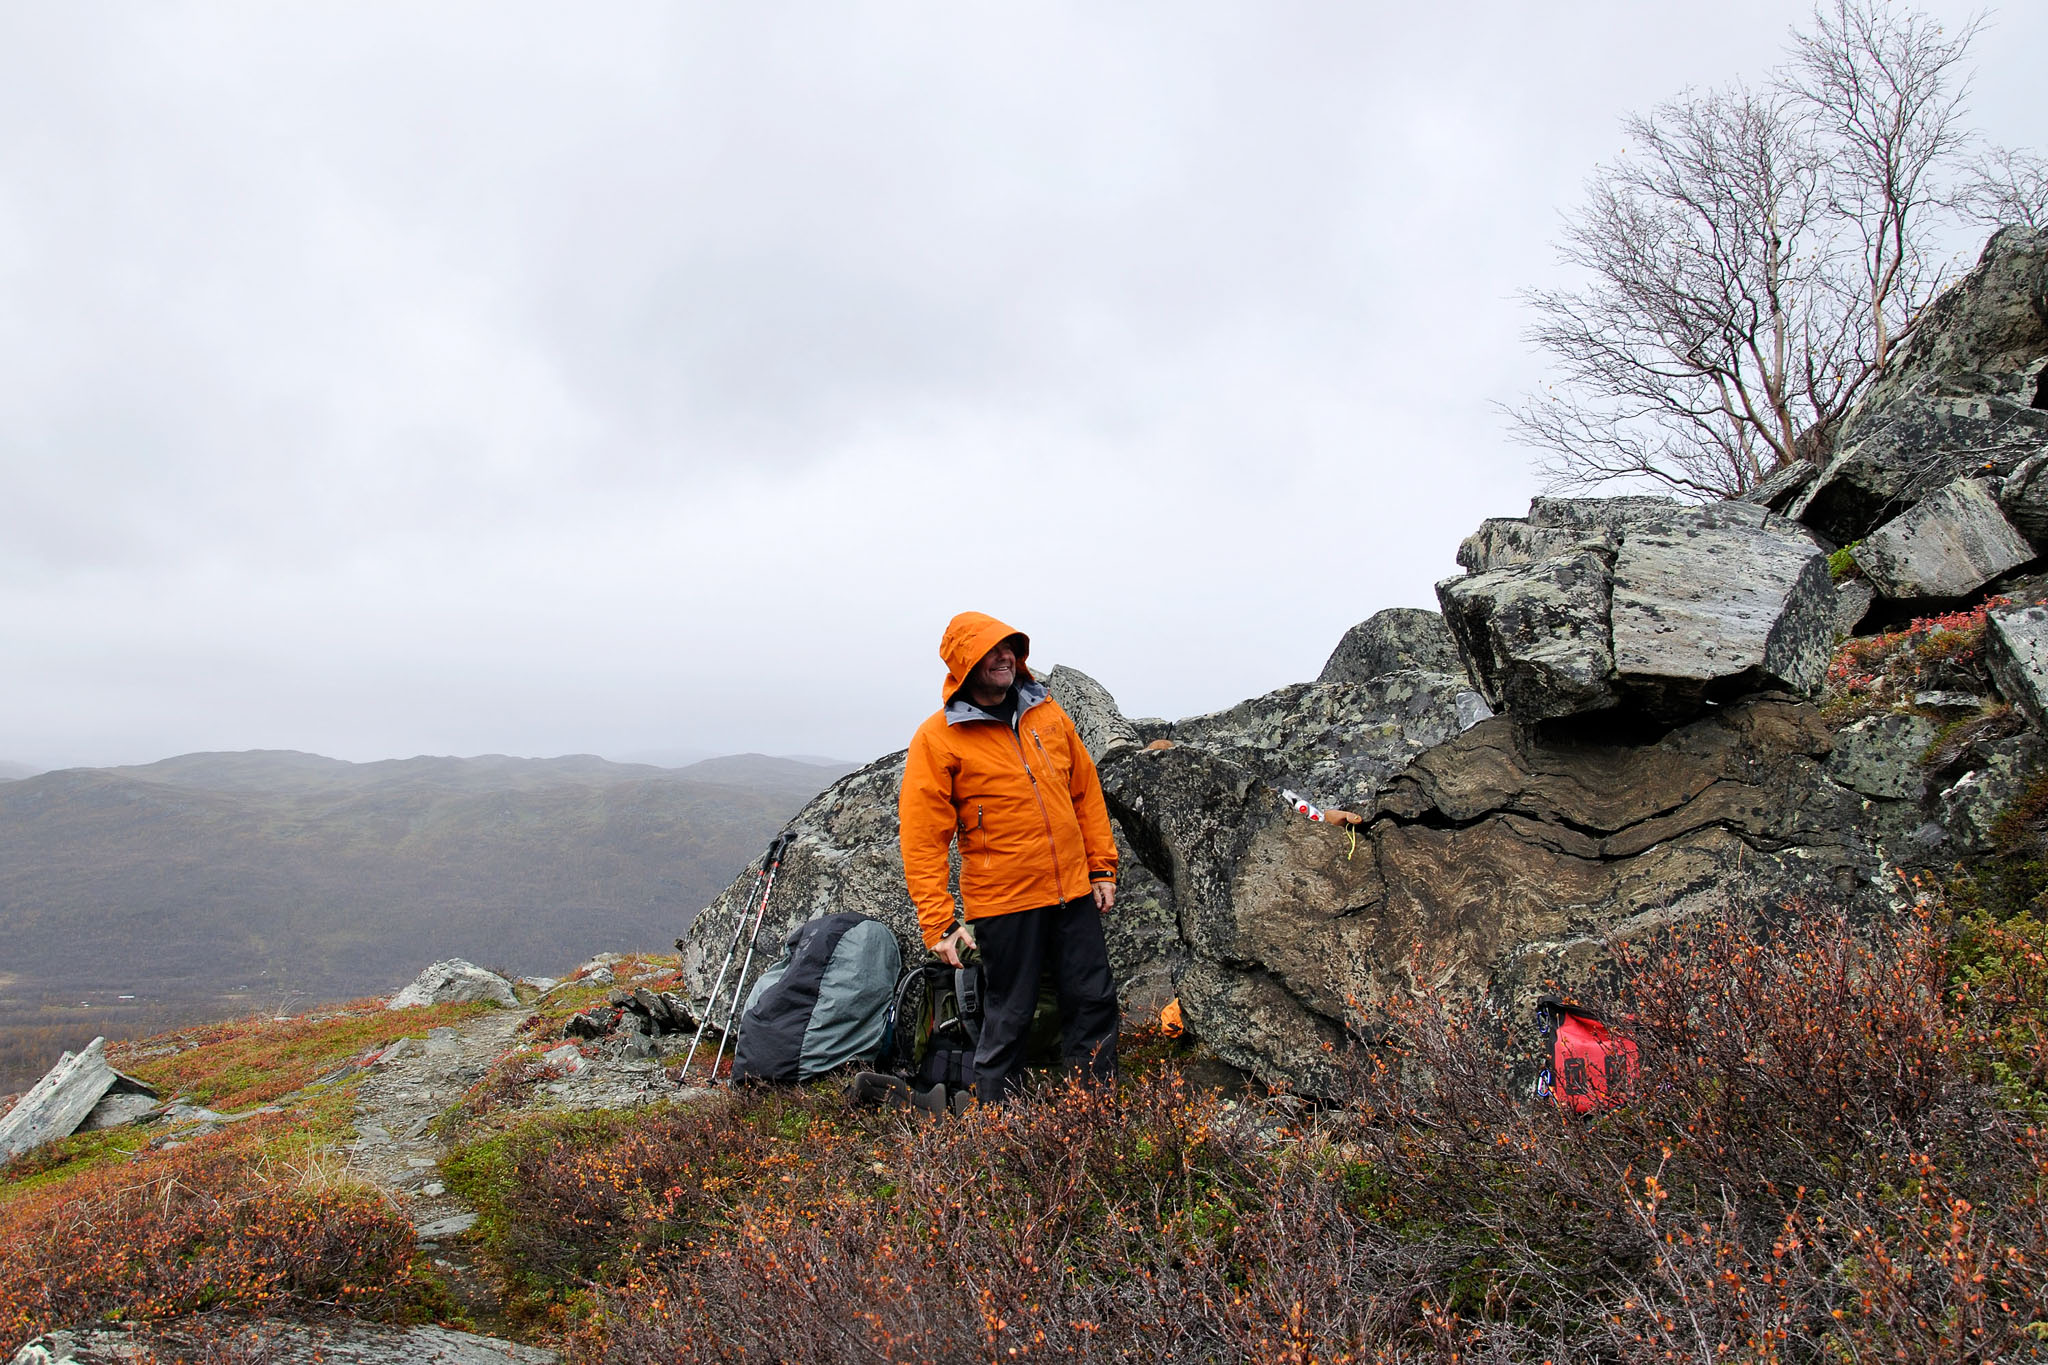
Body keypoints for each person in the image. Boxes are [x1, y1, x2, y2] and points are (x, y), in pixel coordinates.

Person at [897, 611, 1121, 1104]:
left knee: (1094, 1003)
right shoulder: (938, 738)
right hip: (1004, 903)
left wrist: (1101, 864)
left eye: (1010, 649)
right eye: (990, 652)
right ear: (963, 665)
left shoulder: (1047, 712)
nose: (1004, 658)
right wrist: (938, 922)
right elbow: (922, 838)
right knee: (1009, 1016)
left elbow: (1084, 791)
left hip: (1073, 893)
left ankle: (1098, 1115)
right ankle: (1002, 1130)